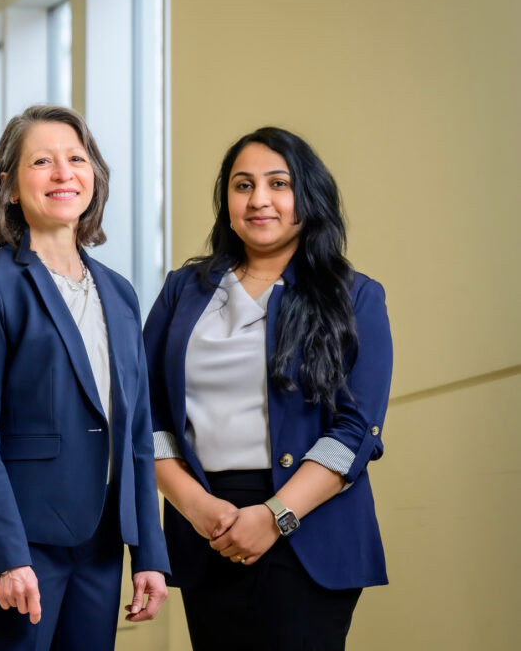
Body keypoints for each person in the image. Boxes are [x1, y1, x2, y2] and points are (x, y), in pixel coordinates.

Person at [142, 126, 392, 650]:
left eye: (278, 183)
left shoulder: (355, 297)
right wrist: (195, 506)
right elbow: (147, 417)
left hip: (309, 523)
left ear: (308, 196)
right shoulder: (181, 293)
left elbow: (356, 431)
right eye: (242, 185)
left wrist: (276, 516)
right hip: (206, 523)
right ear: (226, 200)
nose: (259, 200)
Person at [0, 105, 170, 650]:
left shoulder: (120, 292)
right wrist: (6, 555)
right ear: (11, 187)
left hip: (102, 543)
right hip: (23, 544)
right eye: (42, 161)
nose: (64, 173)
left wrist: (149, 554)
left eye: (76, 158)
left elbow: (136, 433)